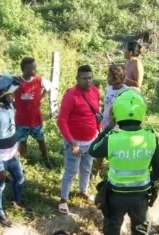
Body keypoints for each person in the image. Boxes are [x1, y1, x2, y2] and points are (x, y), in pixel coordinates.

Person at [89, 89, 159, 235]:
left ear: (117, 113)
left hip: (116, 196)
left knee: (112, 227)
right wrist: (147, 180)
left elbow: (93, 150)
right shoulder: (150, 137)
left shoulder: (112, 138)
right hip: (140, 196)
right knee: (141, 230)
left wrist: (108, 128)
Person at [0, 74, 31, 228]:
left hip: (12, 154)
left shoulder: (9, 106)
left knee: (20, 178)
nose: (14, 95)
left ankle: (16, 201)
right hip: (0, 159)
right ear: (1, 96)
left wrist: (16, 149)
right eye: (11, 93)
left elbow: (11, 130)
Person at [57, 65, 101, 214]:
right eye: (84, 78)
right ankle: (63, 199)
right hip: (75, 142)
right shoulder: (71, 96)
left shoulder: (95, 91)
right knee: (71, 170)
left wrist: (99, 130)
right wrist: (72, 142)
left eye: (90, 78)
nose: (88, 81)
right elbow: (61, 121)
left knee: (86, 167)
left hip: (91, 139)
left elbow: (96, 113)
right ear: (77, 79)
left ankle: (83, 191)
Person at [14, 57, 53, 169]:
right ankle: (18, 165)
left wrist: (41, 98)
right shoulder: (17, 82)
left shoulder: (38, 80)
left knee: (41, 141)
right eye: (32, 69)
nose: (34, 71)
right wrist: (13, 104)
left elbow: (49, 86)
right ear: (24, 69)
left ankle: (46, 159)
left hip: (35, 119)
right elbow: (8, 93)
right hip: (21, 120)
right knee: (22, 142)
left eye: (35, 68)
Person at [93, 65, 128, 177]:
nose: (107, 77)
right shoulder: (109, 87)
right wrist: (101, 115)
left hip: (117, 126)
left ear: (116, 77)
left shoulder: (126, 91)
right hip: (104, 122)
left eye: (109, 75)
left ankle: (114, 171)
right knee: (101, 146)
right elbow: (105, 104)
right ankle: (97, 171)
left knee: (115, 149)